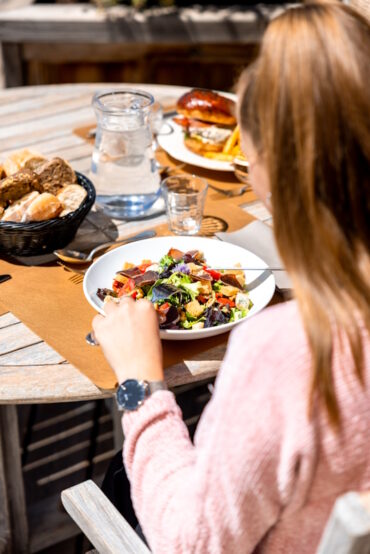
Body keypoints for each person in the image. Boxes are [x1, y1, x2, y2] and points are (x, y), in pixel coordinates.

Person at [92, 2, 370, 552]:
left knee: (116, 484)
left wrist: (140, 383)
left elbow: (189, 542)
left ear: (274, 165)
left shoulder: (284, 353)